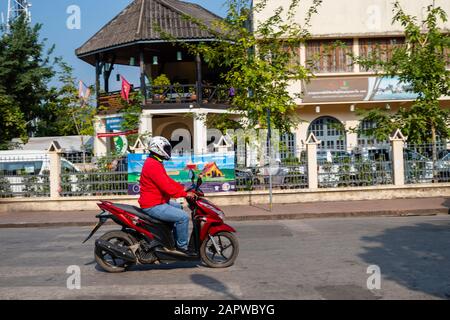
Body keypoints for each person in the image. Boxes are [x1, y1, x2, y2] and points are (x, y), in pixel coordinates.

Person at [138, 136, 197, 254]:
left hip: (158, 201)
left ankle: (170, 239)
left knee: (178, 207)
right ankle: (182, 247)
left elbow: (167, 180)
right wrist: (185, 194)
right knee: (183, 217)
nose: (168, 151)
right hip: (153, 205)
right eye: (166, 148)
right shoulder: (153, 165)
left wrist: (182, 187)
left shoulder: (155, 162)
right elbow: (167, 187)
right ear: (158, 148)